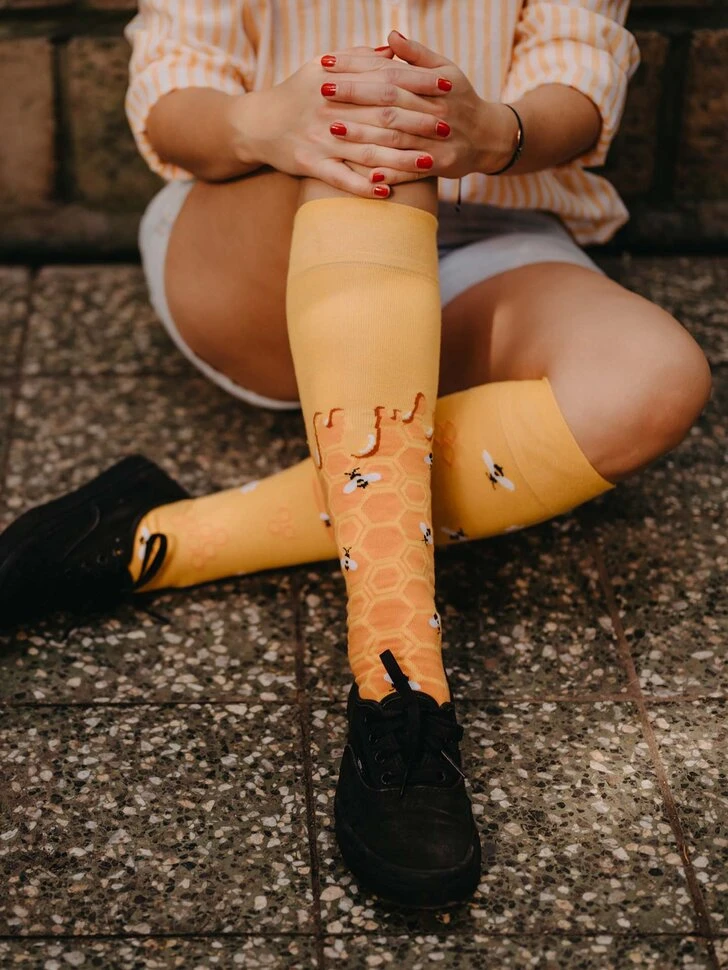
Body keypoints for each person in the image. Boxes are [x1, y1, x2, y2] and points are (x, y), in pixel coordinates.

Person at [0, 3, 712, 909]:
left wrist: (492, 131)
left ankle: (155, 538)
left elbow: (580, 76)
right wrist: (273, 119)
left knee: (652, 381)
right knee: (374, 132)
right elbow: (172, 102)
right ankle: (398, 684)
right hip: (256, 230)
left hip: (489, 232)